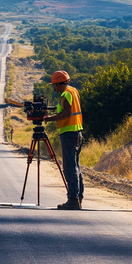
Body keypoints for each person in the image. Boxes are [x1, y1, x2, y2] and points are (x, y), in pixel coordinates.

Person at [43, 70, 84, 210]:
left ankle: (72, 199)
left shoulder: (65, 94)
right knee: (76, 167)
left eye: (54, 85)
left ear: (59, 84)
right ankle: (78, 197)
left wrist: (49, 118)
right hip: (77, 132)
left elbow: (67, 112)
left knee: (70, 168)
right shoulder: (73, 91)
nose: (54, 88)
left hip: (69, 133)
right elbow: (67, 109)